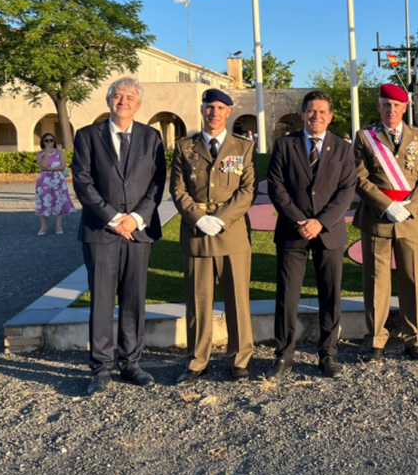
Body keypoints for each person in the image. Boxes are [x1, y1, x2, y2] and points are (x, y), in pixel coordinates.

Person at [72, 77, 166, 395]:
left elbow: (157, 183)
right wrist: (113, 218)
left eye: (130, 96)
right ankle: (100, 368)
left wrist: (136, 218)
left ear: (138, 104)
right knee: (101, 300)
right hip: (101, 232)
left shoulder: (152, 137)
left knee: (134, 298)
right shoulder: (87, 136)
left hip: (138, 232)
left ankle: (131, 363)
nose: (123, 100)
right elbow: (83, 182)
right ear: (108, 100)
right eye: (117, 95)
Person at [267, 90, 356, 379]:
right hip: (293, 232)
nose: (316, 116)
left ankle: (327, 354)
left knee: (330, 295)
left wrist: (321, 222)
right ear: (303, 114)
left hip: (328, 232)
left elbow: (346, 191)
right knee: (287, 296)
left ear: (330, 117)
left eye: (322, 111)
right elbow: (276, 187)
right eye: (311, 111)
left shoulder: (343, 149)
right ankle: (284, 355)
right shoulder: (284, 145)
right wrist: (300, 220)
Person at [169, 89, 257, 385]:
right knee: (198, 301)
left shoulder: (242, 147)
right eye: (210, 107)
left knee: (237, 300)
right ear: (203, 109)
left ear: (228, 112)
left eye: (220, 107)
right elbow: (178, 190)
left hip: (230, 231)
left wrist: (219, 219)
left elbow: (247, 191)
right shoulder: (185, 146)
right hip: (196, 232)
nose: (214, 112)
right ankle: (197, 360)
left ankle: (240, 359)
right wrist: (198, 217)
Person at [353, 83, 418, 361]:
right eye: (386, 105)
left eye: (397, 106)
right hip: (377, 218)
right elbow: (359, 178)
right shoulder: (365, 138)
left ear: (404, 108)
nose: (391, 110)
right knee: (376, 281)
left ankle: (415, 338)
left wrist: (409, 207)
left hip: (409, 218)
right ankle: (376, 339)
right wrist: (387, 206)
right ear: (379, 107)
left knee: (413, 279)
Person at [35, 132, 75, 236]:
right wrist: (47, 153)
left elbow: (62, 166)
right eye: (47, 140)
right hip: (44, 180)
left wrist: (51, 168)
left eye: (51, 140)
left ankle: (59, 225)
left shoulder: (60, 153)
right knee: (44, 201)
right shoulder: (39, 154)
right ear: (43, 142)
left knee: (59, 200)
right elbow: (42, 166)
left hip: (58, 179)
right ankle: (43, 226)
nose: (49, 142)